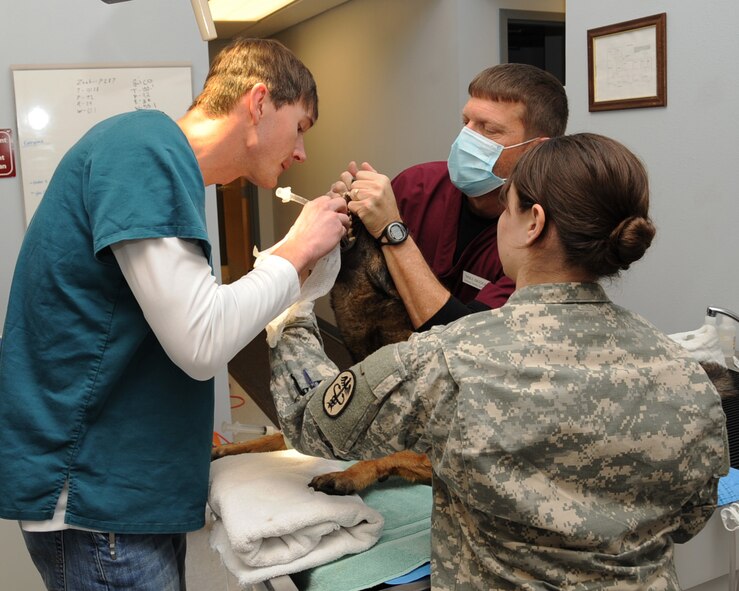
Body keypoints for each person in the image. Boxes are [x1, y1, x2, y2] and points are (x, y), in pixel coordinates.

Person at [269, 133, 729, 589]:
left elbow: (311, 422)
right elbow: (690, 517)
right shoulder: (686, 373)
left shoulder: (450, 358)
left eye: (507, 207)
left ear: (533, 223)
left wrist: (294, 305)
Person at [0, 38, 348, 590]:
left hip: (126, 490)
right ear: (259, 102)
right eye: (301, 126)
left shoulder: (162, 164)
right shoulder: (143, 151)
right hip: (98, 497)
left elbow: (199, 315)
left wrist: (299, 268)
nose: (302, 151)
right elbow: (201, 340)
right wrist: (293, 251)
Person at [334, 63, 568, 331]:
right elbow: (361, 282)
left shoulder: (540, 239)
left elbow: (464, 340)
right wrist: (347, 226)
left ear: (534, 150)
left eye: (488, 130)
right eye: (465, 122)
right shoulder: (417, 185)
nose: (466, 137)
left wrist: (391, 229)